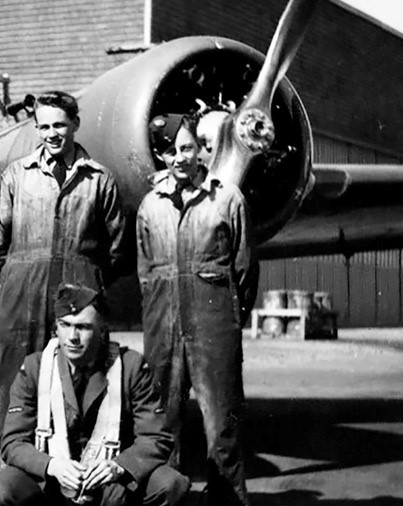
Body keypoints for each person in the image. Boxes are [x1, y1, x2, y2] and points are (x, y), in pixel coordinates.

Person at [0, 91, 128, 479]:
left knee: (78, 387)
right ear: (35, 128)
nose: (52, 133)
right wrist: (18, 278)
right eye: (44, 126)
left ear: (75, 125)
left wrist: (86, 280)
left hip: (78, 293)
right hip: (22, 293)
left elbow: (115, 248)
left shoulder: (99, 180)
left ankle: (77, 481)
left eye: (59, 125)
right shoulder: (17, 174)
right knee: (10, 384)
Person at [0, 284, 188, 506]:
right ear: (55, 328)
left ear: (102, 329)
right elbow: (13, 440)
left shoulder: (130, 366)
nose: (72, 337)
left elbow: (156, 437)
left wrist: (119, 466)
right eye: (65, 325)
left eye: (84, 327)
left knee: (171, 484)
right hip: (50, 481)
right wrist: (50, 465)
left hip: (111, 483)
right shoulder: (35, 367)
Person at [138, 114, 257, 506]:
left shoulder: (226, 198)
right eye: (170, 150)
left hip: (214, 325)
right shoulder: (150, 206)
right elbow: (145, 273)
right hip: (163, 328)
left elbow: (243, 269)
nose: (179, 158)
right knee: (161, 422)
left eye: (186, 147)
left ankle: (227, 501)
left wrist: (225, 318)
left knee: (222, 424)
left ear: (201, 148)